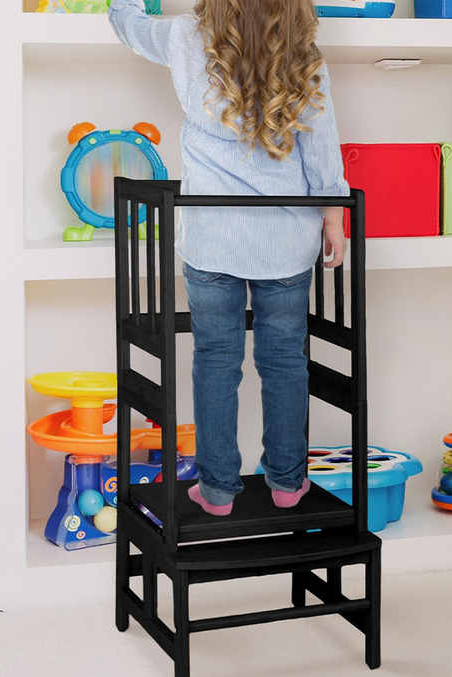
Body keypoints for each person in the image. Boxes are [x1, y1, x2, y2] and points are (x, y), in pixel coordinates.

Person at [109, 0, 350, 516]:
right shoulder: (304, 53)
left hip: (211, 238)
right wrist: (334, 213)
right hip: (286, 242)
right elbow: (322, 147)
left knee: (216, 361)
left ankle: (218, 490)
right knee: (284, 361)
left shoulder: (184, 37)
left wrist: (121, 4)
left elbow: (131, 28)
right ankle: (287, 483)